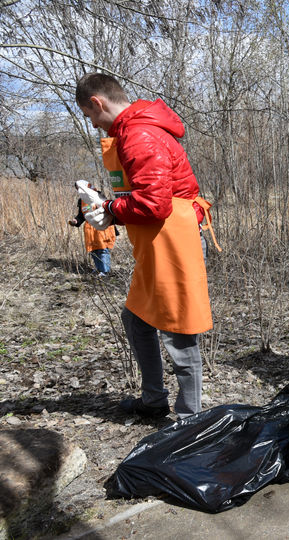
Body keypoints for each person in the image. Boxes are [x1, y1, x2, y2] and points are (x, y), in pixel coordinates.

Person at [75, 72, 213, 419]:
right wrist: (112, 209)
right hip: (159, 241)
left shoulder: (138, 135)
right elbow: (145, 198)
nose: (94, 125)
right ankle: (154, 400)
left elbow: (154, 205)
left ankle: (188, 419)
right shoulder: (132, 132)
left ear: (97, 102)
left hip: (175, 242)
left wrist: (109, 209)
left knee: (177, 329)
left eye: (90, 116)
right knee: (137, 319)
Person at [68, 195, 118, 275]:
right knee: (94, 250)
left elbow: (108, 211)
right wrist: (76, 221)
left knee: (102, 249)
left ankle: (105, 271)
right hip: (90, 230)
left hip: (102, 227)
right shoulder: (82, 200)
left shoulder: (99, 196)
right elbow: (82, 215)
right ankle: (99, 269)